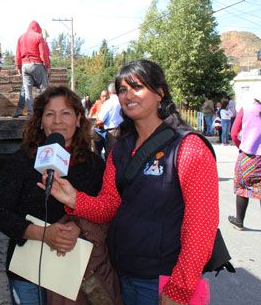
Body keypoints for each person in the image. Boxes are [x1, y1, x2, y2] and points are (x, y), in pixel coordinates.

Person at [41, 60, 218, 305]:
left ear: (160, 92)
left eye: (137, 87)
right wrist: (74, 199)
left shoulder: (189, 147)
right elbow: (110, 206)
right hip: (121, 274)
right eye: (122, 90)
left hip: (162, 282)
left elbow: (201, 226)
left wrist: (179, 288)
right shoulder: (121, 148)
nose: (128, 95)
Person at [0, 86, 121, 305]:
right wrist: (43, 233)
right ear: (40, 121)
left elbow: (104, 211)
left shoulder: (94, 164)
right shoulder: (22, 160)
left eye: (66, 113)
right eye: (50, 114)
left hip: (72, 274)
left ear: (79, 118)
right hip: (27, 273)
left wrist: (78, 227)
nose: (58, 121)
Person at [228, 98, 261, 229]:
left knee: (242, 187)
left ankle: (239, 221)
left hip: (248, 156)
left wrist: (241, 147)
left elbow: (234, 133)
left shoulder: (246, 109)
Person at [16, 21, 51, 116]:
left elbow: (18, 54)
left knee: (27, 92)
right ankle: (43, 112)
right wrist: (47, 66)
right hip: (37, 64)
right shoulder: (39, 37)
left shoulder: (21, 37)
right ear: (37, 28)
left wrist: (18, 67)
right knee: (44, 90)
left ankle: (31, 113)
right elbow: (43, 53)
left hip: (25, 66)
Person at [95, 84, 123, 156]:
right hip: (124, 129)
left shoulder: (108, 103)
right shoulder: (123, 100)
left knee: (111, 155)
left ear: (109, 92)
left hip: (112, 132)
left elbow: (100, 120)